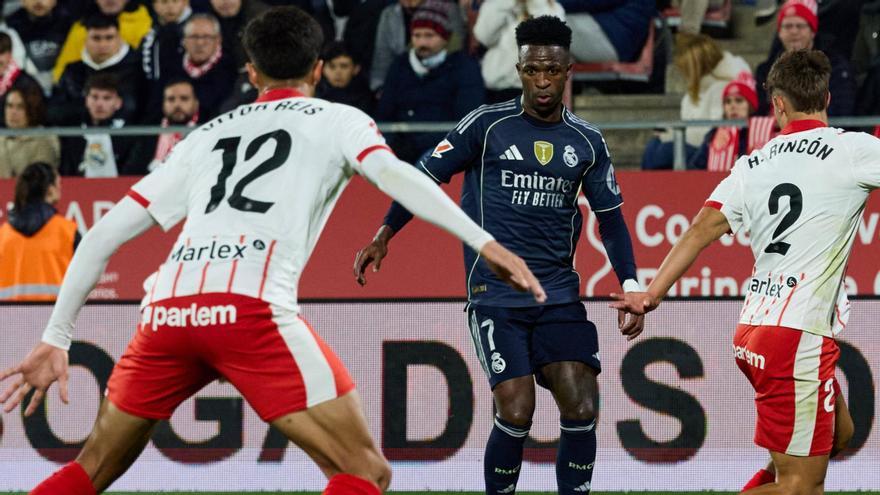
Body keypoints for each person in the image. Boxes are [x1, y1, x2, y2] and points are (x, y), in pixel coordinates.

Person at [0, 6, 544, 495]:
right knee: (364, 473)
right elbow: (396, 175)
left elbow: (98, 237)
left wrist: (56, 336)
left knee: (90, 469)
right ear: (316, 69)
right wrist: (483, 240)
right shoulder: (339, 120)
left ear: (251, 73)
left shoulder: (204, 135)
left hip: (168, 310)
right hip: (250, 310)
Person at [355, 15, 644, 495]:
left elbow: (610, 219)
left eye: (551, 70)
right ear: (520, 70)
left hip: (558, 296)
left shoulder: (587, 141)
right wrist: (385, 233)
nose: (543, 80)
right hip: (494, 295)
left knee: (582, 406)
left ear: (567, 69)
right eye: (533, 70)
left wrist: (632, 285)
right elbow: (422, 178)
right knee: (516, 408)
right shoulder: (487, 126)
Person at [611, 49, 878, 495]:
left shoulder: (753, 162)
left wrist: (651, 294)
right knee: (801, 487)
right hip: (795, 337)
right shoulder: (853, 149)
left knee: (838, 435)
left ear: (777, 106)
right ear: (828, 96)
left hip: (755, 331)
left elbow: (700, 228)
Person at [375, 4, 484, 162]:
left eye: (429, 35)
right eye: (417, 35)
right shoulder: (400, 65)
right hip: (400, 146)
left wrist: (418, 144)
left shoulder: (464, 67)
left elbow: (466, 120)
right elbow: (385, 113)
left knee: (428, 163)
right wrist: (394, 143)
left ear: (445, 37)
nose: (422, 42)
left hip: (444, 146)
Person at [641, 32, 751, 169]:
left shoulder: (721, 89)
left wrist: (672, 136)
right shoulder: (690, 96)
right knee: (653, 146)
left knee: (663, 151)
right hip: (691, 145)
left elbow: (714, 133)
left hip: (707, 151)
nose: (683, 73)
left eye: (686, 68)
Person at [755, 0, 856, 117]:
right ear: (780, 33)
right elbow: (760, 112)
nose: (794, 31)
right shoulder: (765, 71)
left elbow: (842, 109)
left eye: (800, 26)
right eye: (788, 26)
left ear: (812, 31)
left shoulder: (835, 66)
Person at [0, 162, 79, 301]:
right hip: (55, 319)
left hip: (8, 320)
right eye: (58, 183)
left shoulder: (3, 235)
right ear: (49, 190)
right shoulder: (68, 232)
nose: (61, 187)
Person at [49, 13, 145, 125]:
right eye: (96, 38)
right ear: (85, 40)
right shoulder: (73, 71)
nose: (102, 44)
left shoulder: (137, 69)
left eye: (109, 38)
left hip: (128, 138)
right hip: (78, 137)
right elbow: (55, 111)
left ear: (119, 39)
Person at [473, 0, 565, 103]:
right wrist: (508, 4)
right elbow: (484, 37)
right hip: (499, 88)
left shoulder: (551, 7)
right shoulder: (495, 4)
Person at [59, 73, 148, 177]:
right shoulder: (73, 134)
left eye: (106, 98)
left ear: (118, 103)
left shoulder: (130, 135)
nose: (99, 104)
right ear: (86, 100)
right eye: (95, 97)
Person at [688, 71, 777, 171]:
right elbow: (694, 168)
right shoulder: (713, 135)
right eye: (728, 102)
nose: (732, 106)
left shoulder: (765, 131)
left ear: (750, 106)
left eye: (739, 100)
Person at [52, 0, 152, 82]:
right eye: (96, 38)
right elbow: (62, 74)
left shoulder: (148, 26)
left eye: (109, 38)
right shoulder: (81, 28)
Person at [4, 0, 73, 95]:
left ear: (55, 1)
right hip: (19, 89)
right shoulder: (8, 27)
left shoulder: (70, 24)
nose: (38, 1)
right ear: (22, 1)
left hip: (61, 90)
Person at [0, 85, 60, 177]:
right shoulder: (1, 137)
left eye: (20, 107)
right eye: (9, 106)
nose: (13, 112)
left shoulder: (44, 140)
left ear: (31, 110)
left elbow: (38, 181)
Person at [142, 77, 200, 171]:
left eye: (184, 99)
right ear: (163, 104)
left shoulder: (208, 128)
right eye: (171, 99)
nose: (177, 104)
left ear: (196, 103)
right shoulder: (150, 129)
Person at [316, 41, 374, 114]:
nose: (338, 72)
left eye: (344, 66)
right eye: (332, 66)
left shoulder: (366, 98)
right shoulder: (314, 96)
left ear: (356, 69)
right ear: (323, 69)